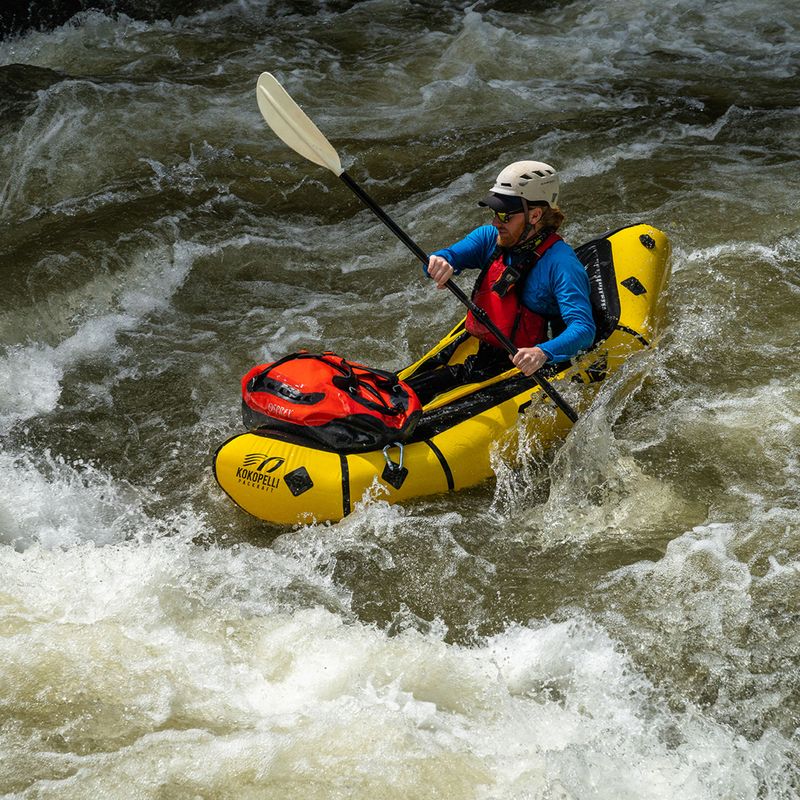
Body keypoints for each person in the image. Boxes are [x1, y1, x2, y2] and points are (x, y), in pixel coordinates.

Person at [410, 160, 595, 404]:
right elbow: (442, 258)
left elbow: (584, 329)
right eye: (495, 213)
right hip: (484, 360)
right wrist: (439, 263)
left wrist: (542, 353)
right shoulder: (490, 239)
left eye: (505, 215)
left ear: (535, 215)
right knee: (405, 393)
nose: (496, 222)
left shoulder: (561, 264)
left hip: (530, 372)